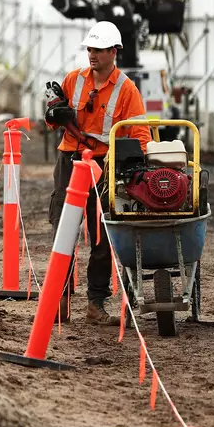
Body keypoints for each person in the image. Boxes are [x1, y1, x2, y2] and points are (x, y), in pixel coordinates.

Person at [44, 21, 151, 325]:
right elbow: (53, 117)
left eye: (99, 49)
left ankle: (95, 303)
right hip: (70, 160)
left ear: (114, 52)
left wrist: (135, 167)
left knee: (102, 234)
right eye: (90, 48)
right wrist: (53, 115)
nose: (92, 54)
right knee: (62, 229)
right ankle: (59, 300)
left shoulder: (127, 90)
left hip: (105, 165)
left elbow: (141, 134)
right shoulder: (74, 79)